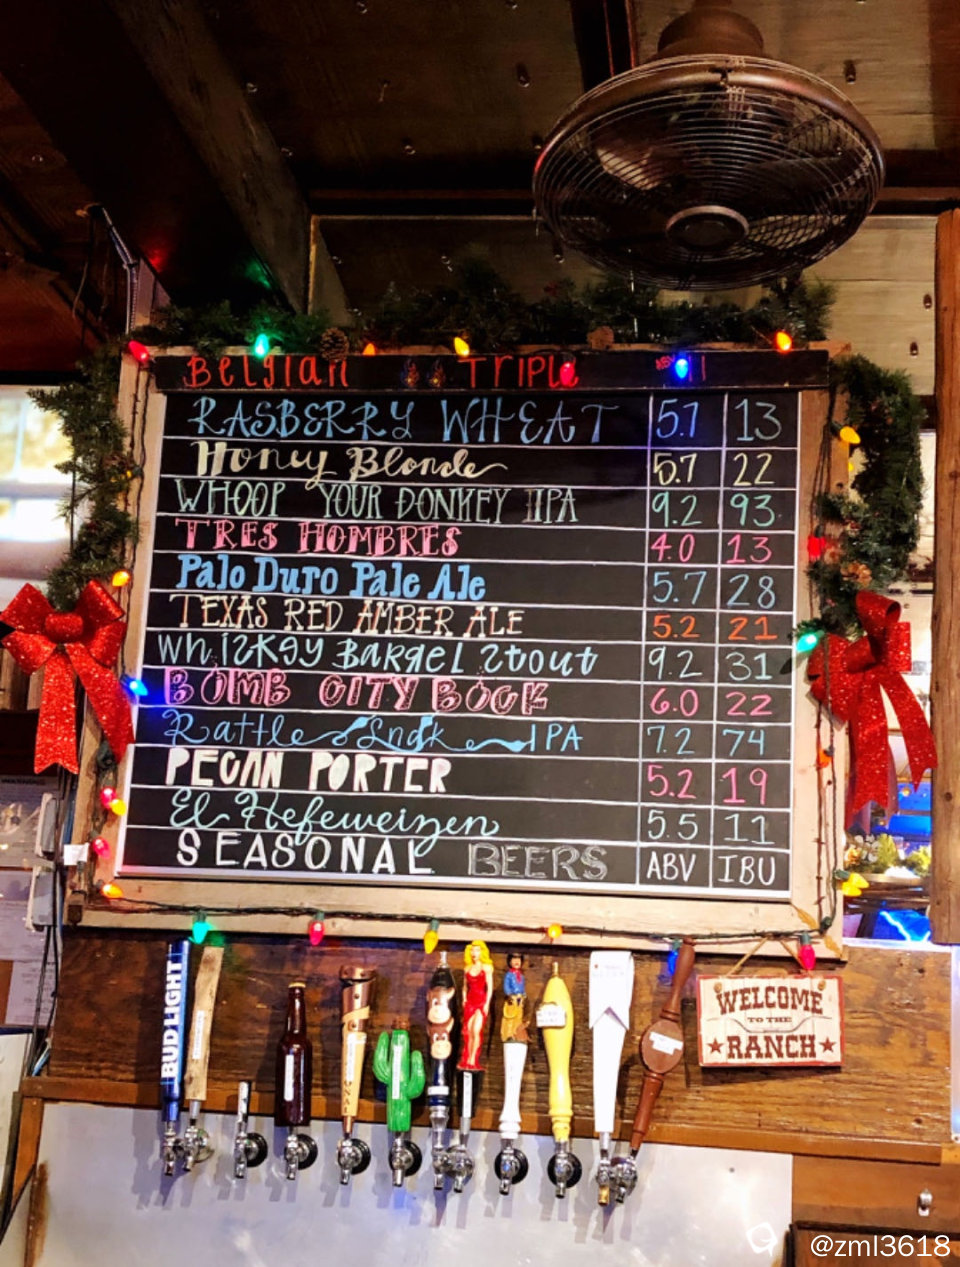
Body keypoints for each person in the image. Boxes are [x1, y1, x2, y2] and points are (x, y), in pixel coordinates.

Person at [459, 939, 494, 1071]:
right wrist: (464, 999)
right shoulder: (467, 968)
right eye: (472, 950)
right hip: (470, 1002)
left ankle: (473, 1058)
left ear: (482, 952)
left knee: (476, 1030)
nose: (474, 953)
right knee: (468, 1032)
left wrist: (487, 1004)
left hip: (480, 1001)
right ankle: (467, 1058)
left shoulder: (487, 968)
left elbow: (489, 988)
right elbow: (464, 987)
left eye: (477, 950)